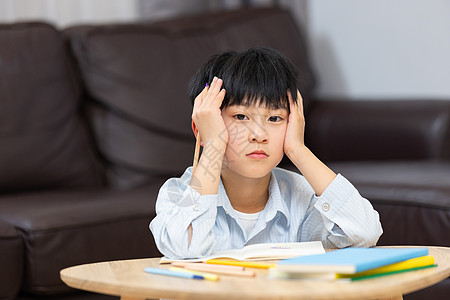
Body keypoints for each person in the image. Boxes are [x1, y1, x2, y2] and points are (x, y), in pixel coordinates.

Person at [150, 47, 382, 259]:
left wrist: (298, 149)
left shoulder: (302, 197)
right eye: (241, 116)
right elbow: (185, 249)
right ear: (202, 128)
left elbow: (365, 232)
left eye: (275, 118)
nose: (259, 134)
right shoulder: (177, 194)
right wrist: (213, 144)